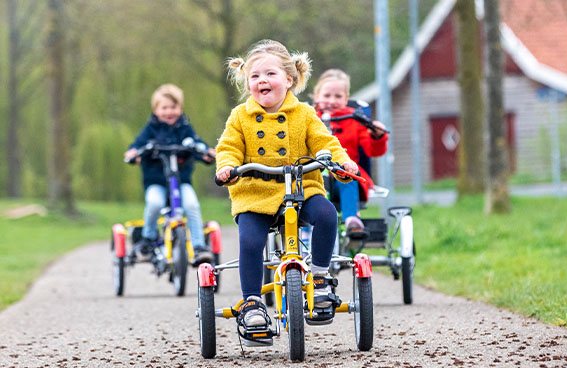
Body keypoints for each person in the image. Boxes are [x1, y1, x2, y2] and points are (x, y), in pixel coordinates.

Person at [215, 40, 358, 337]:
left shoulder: (304, 114)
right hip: (255, 191)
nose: (261, 81)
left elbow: (325, 143)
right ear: (247, 81)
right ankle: (253, 303)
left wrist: (341, 162)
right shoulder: (240, 116)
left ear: (289, 80)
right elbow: (228, 147)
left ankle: (319, 277)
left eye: (270, 74)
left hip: (301, 187)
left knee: (328, 215)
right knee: (251, 241)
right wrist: (227, 167)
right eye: (255, 76)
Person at [124, 83, 216, 266]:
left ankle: (198, 247)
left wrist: (206, 153)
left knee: (192, 205)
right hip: (156, 182)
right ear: (156, 109)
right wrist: (133, 153)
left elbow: (197, 144)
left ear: (180, 109)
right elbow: (138, 145)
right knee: (154, 203)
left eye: (173, 107)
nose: (169, 112)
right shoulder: (151, 129)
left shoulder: (185, 128)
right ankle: (148, 239)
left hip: (181, 182)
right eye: (164, 108)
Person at [312, 69, 388, 234]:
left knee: (348, 177)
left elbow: (372, 150)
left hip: (345, 177)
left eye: (338, 96)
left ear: (346, 99)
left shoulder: (355, 120)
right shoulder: (308, 118)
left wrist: (376, 136)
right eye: (327, 96)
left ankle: (352, 221)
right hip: (314, 177)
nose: (332, 101)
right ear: (316, 96)